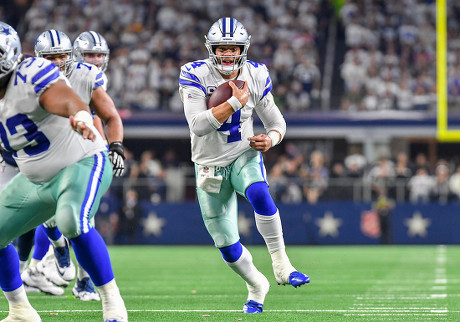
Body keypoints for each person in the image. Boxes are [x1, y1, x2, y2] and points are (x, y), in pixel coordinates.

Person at [179, 17, 310, 314]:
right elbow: (198, 126)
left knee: (260, 192)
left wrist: (272, 139)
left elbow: (277, 122)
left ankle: (282, 264)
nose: (227, 54)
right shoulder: (193, 73)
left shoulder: (256, 74)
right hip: (208, 166)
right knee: (226, 245)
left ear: (243, 48)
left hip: (242, 154)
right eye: (221, 49)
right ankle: (255, 285)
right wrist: (234, 104)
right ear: (211, 49)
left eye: (233, 48)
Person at [0, 22, 127, 321]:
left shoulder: (29, 71)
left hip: (81, 160)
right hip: (34, 177)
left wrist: (80, 114)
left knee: (72, 220)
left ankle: (111, 303)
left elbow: (62, 96)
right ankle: (20, 309)